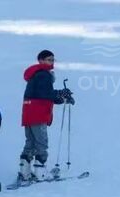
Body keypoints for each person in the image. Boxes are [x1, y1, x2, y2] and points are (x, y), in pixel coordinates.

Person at [18, 50, 75, 185]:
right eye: (49, 59)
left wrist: (61, 97)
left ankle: (24, 172)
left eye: (53, 60)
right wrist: (62, 93)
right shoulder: (44, 74)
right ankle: (40, 173)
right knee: (41, 142)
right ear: (41, 60)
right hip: (38, 113)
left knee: (30, 142)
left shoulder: (35, 74)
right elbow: (46, 94)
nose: (52, 62)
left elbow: (43, 94)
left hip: (29, 112)